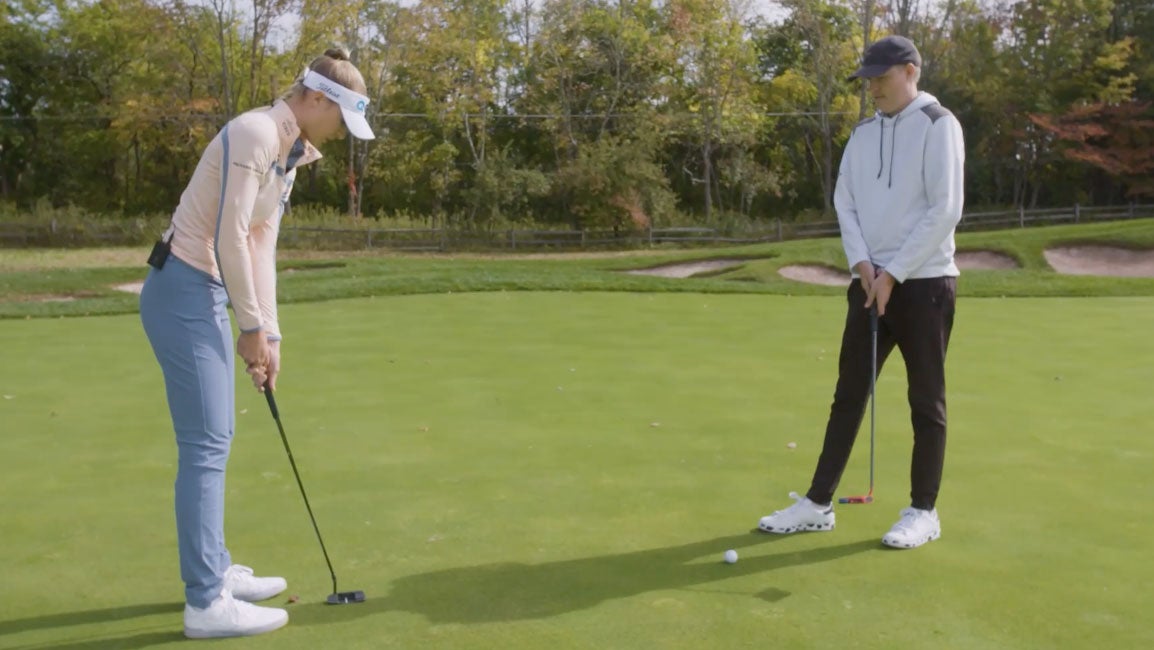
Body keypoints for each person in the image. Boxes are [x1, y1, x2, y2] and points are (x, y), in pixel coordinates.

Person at [140, 48, 375, 638]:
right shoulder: (254, 133)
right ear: (317, 99)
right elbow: (227, 236)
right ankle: (205, 602)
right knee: (206, 442)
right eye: (339, 120)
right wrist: (248, 328)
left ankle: (215, 568)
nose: (340, 136)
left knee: (214, 436)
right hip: (182, 287)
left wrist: (269, 331)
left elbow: (262, 244)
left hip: (210, 292)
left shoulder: (290, 154)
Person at [756, 35, 965, 549]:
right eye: (867, 79)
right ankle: (817, 503)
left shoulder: (940, 125)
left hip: (924, 283)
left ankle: (923, 511)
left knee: (926, 401)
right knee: (848, 395)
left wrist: (892, 272)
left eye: (882, 77)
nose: (872, 87)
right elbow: (844, 200)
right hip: (869, 283)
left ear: (911, 71)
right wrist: (862, 265)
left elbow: (945, 209)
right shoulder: (863, 132)